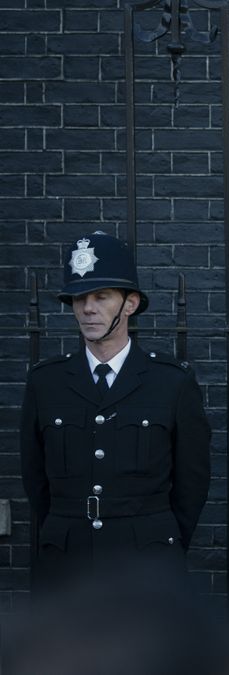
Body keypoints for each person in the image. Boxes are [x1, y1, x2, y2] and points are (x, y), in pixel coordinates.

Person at [20, 231, 211, 589]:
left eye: (101, 296)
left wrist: (159, 540)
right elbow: (36, 481)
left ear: (130, 304)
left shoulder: (171, 382)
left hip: (146, 562)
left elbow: (192, 483)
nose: (87, 308)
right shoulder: (45, 383)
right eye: (79, 298)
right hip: (67, 563)